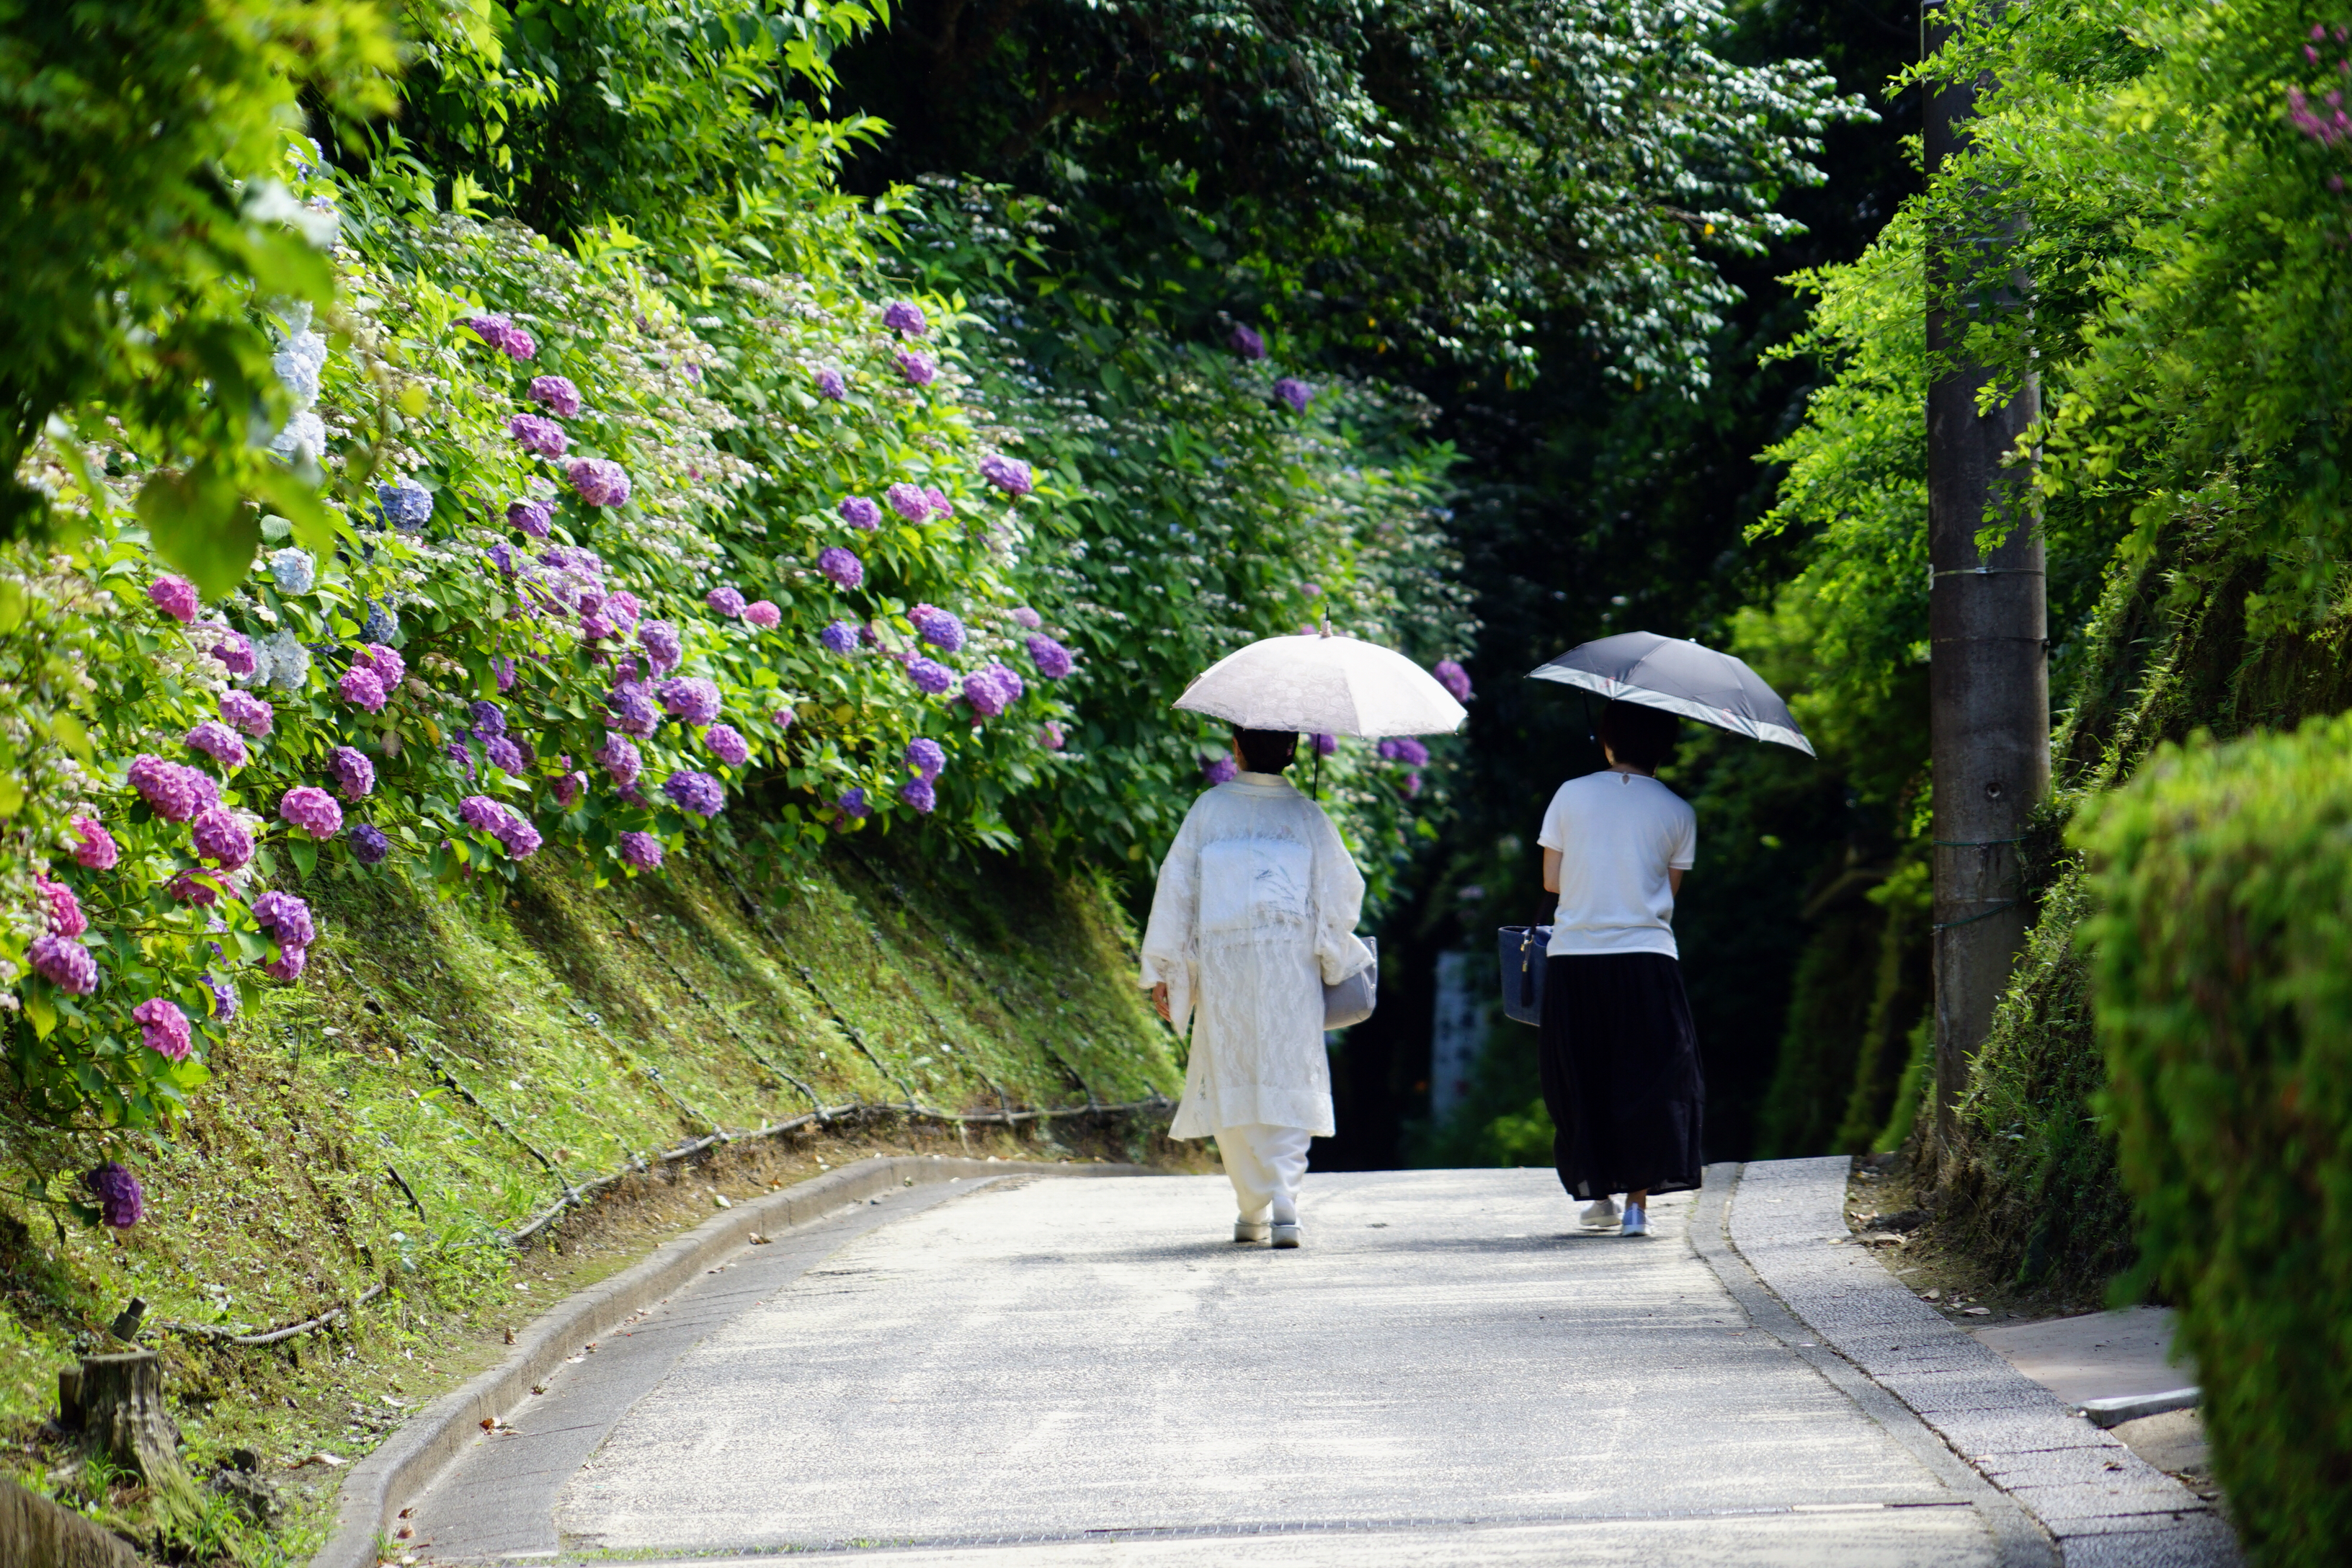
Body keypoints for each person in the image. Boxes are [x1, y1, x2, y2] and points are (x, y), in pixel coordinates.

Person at [1141, 726, 1373, 1249]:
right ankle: (1285, 1202)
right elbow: (1343, 894)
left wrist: (1168, 968)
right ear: (1292, 751)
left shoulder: (1209, 809)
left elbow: (1177, 886)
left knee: (1233, 1076)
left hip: (1225, 968)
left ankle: (1252, 1206)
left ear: (1237, 749)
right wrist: (1329, 951)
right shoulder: (1308, 816)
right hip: (1289, 968)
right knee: (1288, 1072)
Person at [1535, 700, 1703, 1238]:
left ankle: (1598, 1196)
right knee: (1651, 1079)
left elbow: (1552, 882)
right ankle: (1637, 1207)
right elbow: (1666, 891)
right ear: (1664, 747)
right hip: (1649, 960)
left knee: (1583, 1074)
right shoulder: (1678, 811)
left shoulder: (1569, 794)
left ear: (1607, 741)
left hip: (1576, 956)